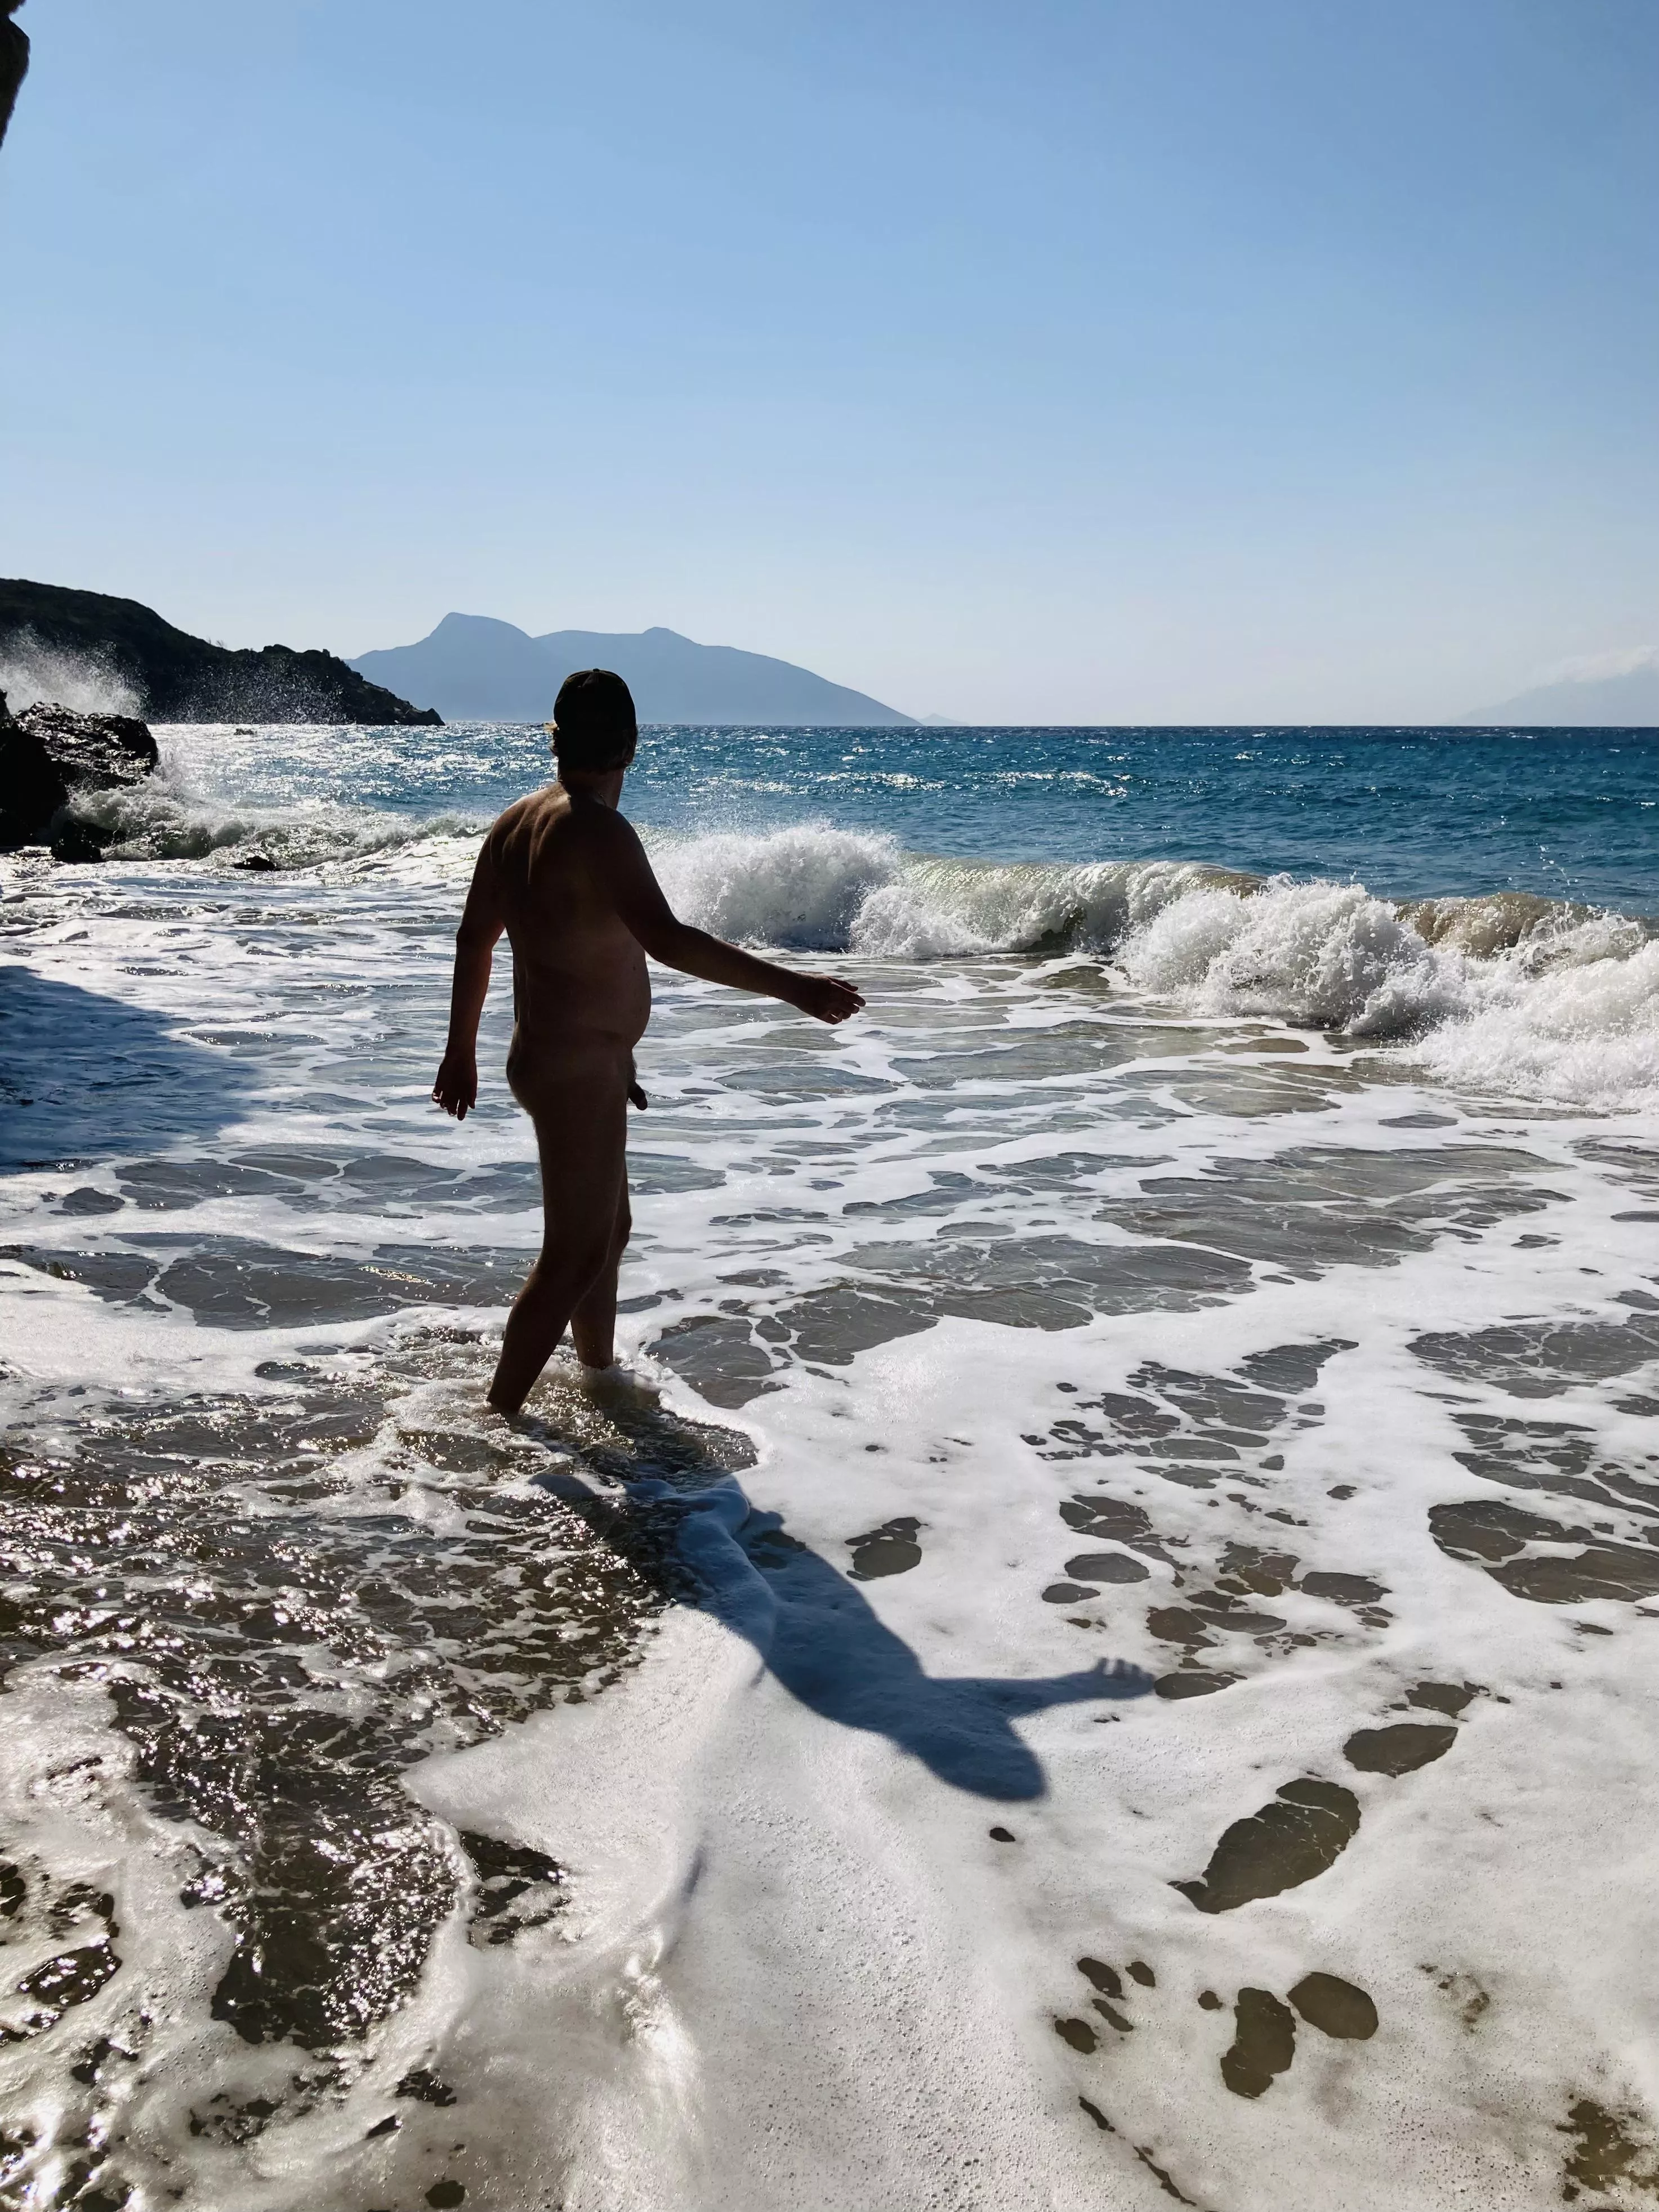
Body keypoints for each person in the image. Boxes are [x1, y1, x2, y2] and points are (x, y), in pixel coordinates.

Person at [432, 669, 864, 1415]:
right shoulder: (596, 829)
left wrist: (461, 1050)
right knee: (574, 1255)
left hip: (559, 1057)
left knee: (606, 1231)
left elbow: (481, 940)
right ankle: (495, 1419)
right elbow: (666, 941)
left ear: (556, 738)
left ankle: (597, 1373)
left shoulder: (515, 822)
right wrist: (793, 987)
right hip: (574, 1067)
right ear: (631, 747)